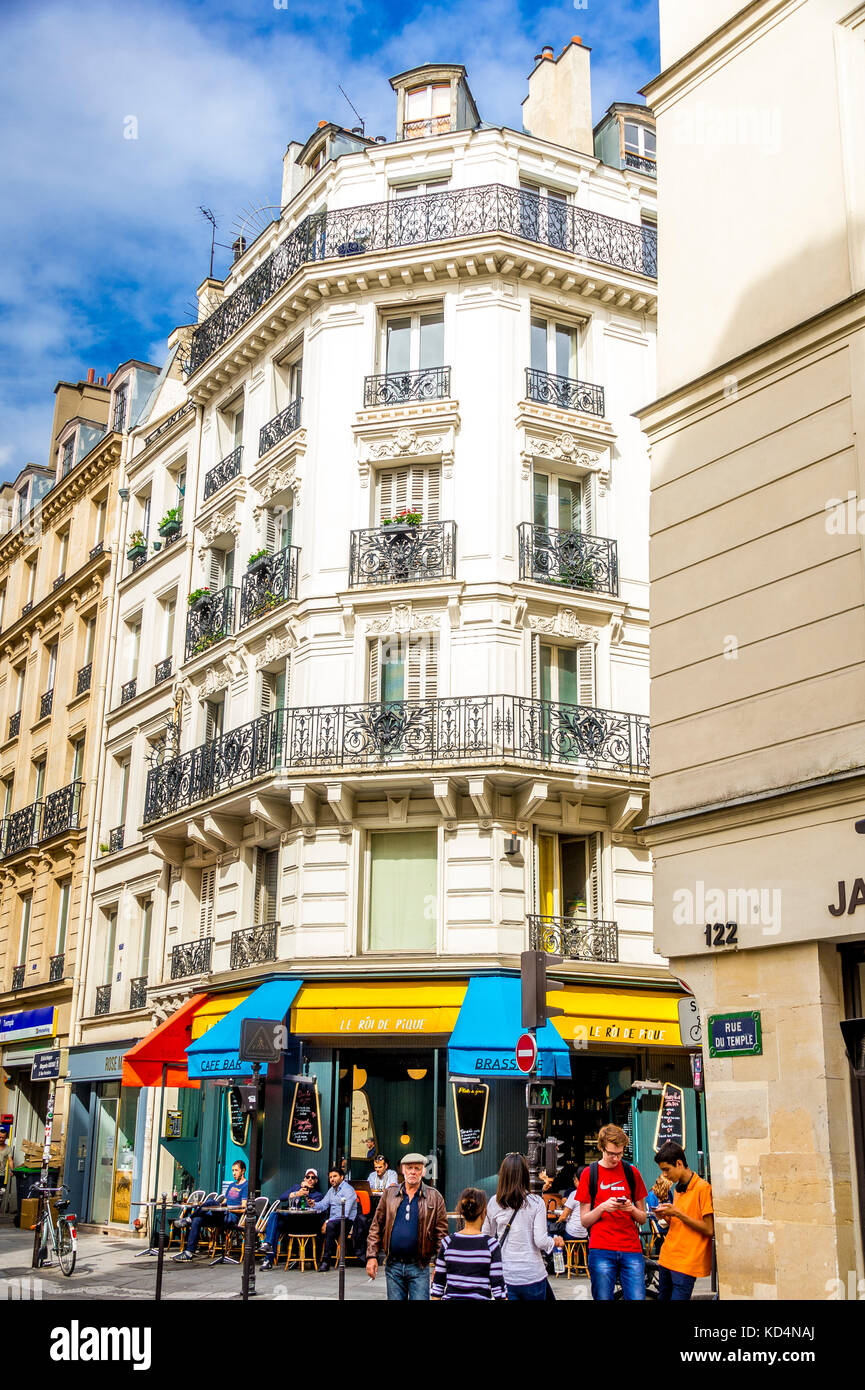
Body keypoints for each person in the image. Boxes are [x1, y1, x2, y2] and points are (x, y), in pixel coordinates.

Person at [576, 1124, 648, 1301]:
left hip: (631, 1247)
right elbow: (584, 1221)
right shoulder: (589, 1173)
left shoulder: (632, 1172)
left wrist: (631, 1209)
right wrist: (602, 1207)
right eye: (611, 1154)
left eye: (620, 1153)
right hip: (601, 1247)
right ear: (601, 1148)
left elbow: (643, 1217)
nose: (615, 1158)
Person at [366, 1153, 448, 1300]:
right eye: (409, 1168)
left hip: (420, 1266)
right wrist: (372, 1256)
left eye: (417, 1168)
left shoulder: (435, 1197)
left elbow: (441, 1235)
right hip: (393, 1266)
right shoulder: (389, 1194)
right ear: (403, 1170)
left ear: (423, 1171)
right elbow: (376, 1226)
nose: (413, 1172)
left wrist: (440, 1265)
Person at [483, 1153, 564, 1301]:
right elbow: (540, 1241)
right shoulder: (536, 1202)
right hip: (532, 1274)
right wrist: (554, 1242)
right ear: (525, 1175)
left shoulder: (495, 1202)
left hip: (506, 1275)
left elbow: (486, 1237)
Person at [652, 1142, 714, 1301]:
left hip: (686, 1262)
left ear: (679, 1163)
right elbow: (681, 1224)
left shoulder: (703, 1188)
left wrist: (677, 1213)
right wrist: (665, 1216)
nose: (664, 1175)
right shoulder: (678, 1188)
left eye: (666, 1169)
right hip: (668, 1257)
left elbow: (709, 1229)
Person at [430, 1188, 506, 1301]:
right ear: (484, 1213)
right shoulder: (491, 1245)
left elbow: (437, 1287)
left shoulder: (447, 1242)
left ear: (461, 1212)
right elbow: (498, 1288)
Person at [173, 1159, 248, 1261]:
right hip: (222, 1214)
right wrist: (219, 1206)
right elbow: (224, 1202)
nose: (234, 1173)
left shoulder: (245, 1186)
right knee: (198, 1219)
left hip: (231, 1217)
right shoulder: (231, 1185)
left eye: (236, 1170)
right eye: (232, 1170)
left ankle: (188, 1219)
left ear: (243, 1171)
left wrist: (229, 1209)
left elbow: (243, 1209)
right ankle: (189, 1252)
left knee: (210, 1201)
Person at [259, 1168, 322, 1269]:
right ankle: (268, 1245)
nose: (310, 1179)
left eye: (313, 1177)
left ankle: (268, 1258)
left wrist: (306, 1194)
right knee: (274, 1216)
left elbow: (309, 1207)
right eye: (308, 1177)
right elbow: (281, 1197)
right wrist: (297, 1193)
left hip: (303, 1224)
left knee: (276, 1228)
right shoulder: (296, 1187)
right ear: (304, 1178)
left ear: (316, 1180)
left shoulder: (317, 1195)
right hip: (289, 1221)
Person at [311, 1165, 357, 1271]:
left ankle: (326, 1261)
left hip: (347, 1221)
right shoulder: (332, 1190)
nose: (332, 1179)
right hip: (334, 1221)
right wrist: (313, 1204)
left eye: (335, 1176)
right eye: (330, 1177)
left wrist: (328, 1221)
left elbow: (345, 1214)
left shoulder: (348, 1190)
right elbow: (323, 1205)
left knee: (330, 1226)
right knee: (315, 1223)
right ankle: (314, 1259)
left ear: (342, 1177)